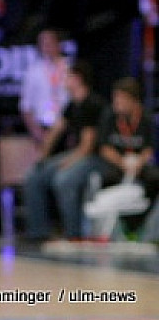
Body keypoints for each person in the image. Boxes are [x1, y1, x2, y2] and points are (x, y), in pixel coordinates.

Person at [23, 61, 105, 242]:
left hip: (95, 157)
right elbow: (56, 130)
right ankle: (38, 232)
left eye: (68, 76)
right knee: (34, 176)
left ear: (78, 79)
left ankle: (73, 234)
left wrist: (68, 163)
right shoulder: (72, 105)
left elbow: (87, 146)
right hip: (76, 154)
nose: (64, 80)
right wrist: (43, 155)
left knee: (63, 179)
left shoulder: (92, 104)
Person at [90, 77, 159, 236]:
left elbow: (149, 148)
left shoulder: (146, 118)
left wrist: (138, 164)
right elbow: (104, 148)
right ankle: (108, 231)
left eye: (121, 99)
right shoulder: (109, 116)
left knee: (154, 179)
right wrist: (123, 163)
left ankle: (144, 228)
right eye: (115, 98)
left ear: (133, 101)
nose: (117, 103)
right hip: (116, 164)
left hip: (139, 165)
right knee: (106, 178)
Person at [19, 28, 70, 144]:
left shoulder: (70, 68)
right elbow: (25, 106)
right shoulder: (33, 71)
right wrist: (37, 132)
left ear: (59, 44)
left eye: (50, 43)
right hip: (43, 127)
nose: (47, 47)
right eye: (43, 44)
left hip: (68, 127)